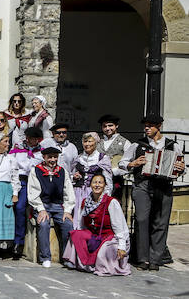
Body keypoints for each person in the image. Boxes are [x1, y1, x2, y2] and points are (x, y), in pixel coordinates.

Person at [120, 114, 185, 270]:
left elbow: (181, 167)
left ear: (159, 126)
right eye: (145, 125)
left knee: (160, 223)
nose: (146, 128)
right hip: (143, 184)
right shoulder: (138, 145)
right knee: (142, 220)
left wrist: (180, 169)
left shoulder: (172, 145)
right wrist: (133, 163)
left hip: (163, 186)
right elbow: (122, 163)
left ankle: (155, 259)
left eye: (150, 125)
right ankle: (143, 258)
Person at [63, 173, 131, 276]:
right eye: (94, 182)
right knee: (76, 234)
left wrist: (122, 246)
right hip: (94, 235)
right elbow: (81, 223)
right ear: (90, 185)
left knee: (105, 249)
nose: (97, 185)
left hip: (110, 236)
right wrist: (81, 236)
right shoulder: (86, 202)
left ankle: (101, 265)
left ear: (105, 186)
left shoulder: (111, 202)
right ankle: (74, 261)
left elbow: (120, 227)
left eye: (100, 182)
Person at [27, 147, 75, 267]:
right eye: (50, 157)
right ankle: (45, 257)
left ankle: (67, 257)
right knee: (43, 224)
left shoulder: (62, 171)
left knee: (68, 224)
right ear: (44, 157)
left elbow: (68, 192)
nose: (53, 160)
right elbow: (33, 193)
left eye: (55, 157)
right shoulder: (36, 171)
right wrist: (41, 209)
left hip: (58, 206)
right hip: (43, 204)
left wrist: (68, 210)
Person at [9, 126, 44, 258]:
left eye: (36, 139)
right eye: (30, 138)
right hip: (21, 181)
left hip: (36, 182)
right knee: (19, 208)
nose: (33, 141)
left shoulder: (41, 152)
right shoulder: (18, 150)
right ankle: (17, 242)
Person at [72, 132, 113, 227]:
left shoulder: (102, 158)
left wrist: (106, 196)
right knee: (78, 219)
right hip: (78, 193)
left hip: (94, 193)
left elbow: (108, 179)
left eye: (90, 141)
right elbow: (71, 175)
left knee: (93, 219)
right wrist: (74, 177)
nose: (87, 144)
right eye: (85, 141)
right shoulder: (79, 158)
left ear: (96, 142)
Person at [97, 114, 131, 198]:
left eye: (110, 125)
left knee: (114, 204)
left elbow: (129, 162)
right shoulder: (98, 142)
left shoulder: (125, 142)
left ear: (116, 126)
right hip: (98, 178)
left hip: (116, 179)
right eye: (105, 126)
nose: (107, 128)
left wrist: (117, 171)